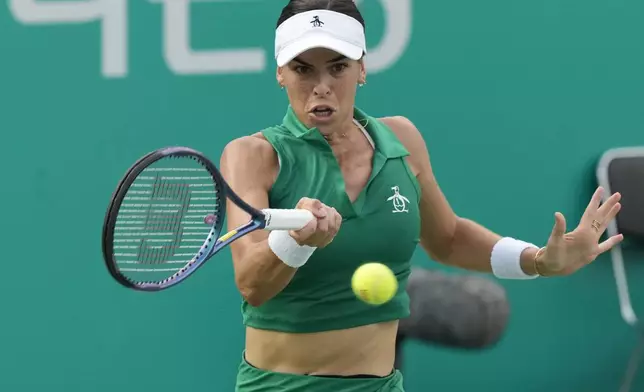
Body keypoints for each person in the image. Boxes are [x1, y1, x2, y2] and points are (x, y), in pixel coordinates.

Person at [219, 1, 624, 391]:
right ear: (280, 74)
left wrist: (537, 261)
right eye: (302, 69)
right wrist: (294, 241)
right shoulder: (254, 156)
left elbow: (447, 238)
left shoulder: (402, 139)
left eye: (338, 67)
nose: (321, 87)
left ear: (361, 69)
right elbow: (253, 284)